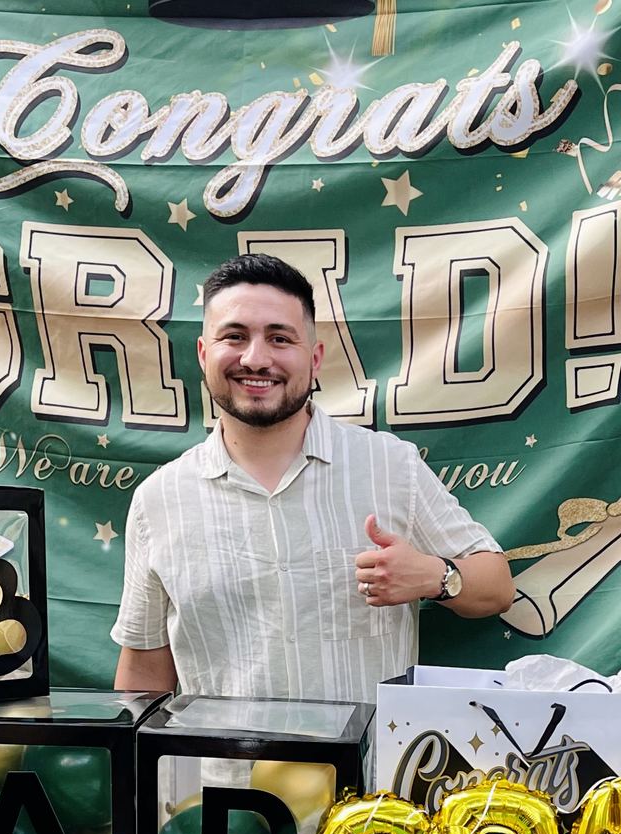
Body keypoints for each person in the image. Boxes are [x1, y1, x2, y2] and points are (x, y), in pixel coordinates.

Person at [112, 253, 514, 699]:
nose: (256, 358)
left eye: (280, 338)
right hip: (217, 769)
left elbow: (496, 586)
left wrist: (435, 577)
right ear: (204, 354)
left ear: (315, 358)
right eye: (234, 336)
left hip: (365, 768)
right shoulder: (159, 499)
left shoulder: (390, 465)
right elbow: (145, 668)